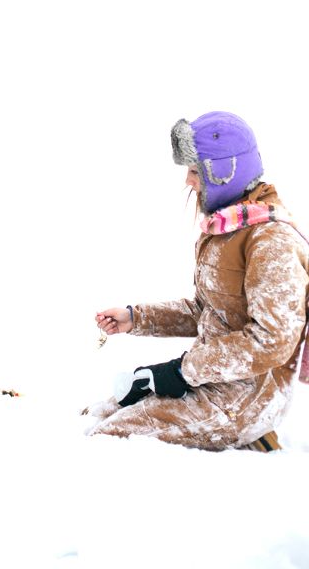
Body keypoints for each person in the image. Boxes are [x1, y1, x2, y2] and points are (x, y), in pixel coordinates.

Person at [91, 111, 309, 451]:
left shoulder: (271, 240)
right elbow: (206, 311)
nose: (188, 181)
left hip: (246, 397)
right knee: (98, 414)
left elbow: (271, 341)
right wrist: (136, 318)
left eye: (195, 171)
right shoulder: (227, 230)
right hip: (214, 378)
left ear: (224, 172)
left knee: (111, 437)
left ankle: (253, 433)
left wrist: (182, 371)